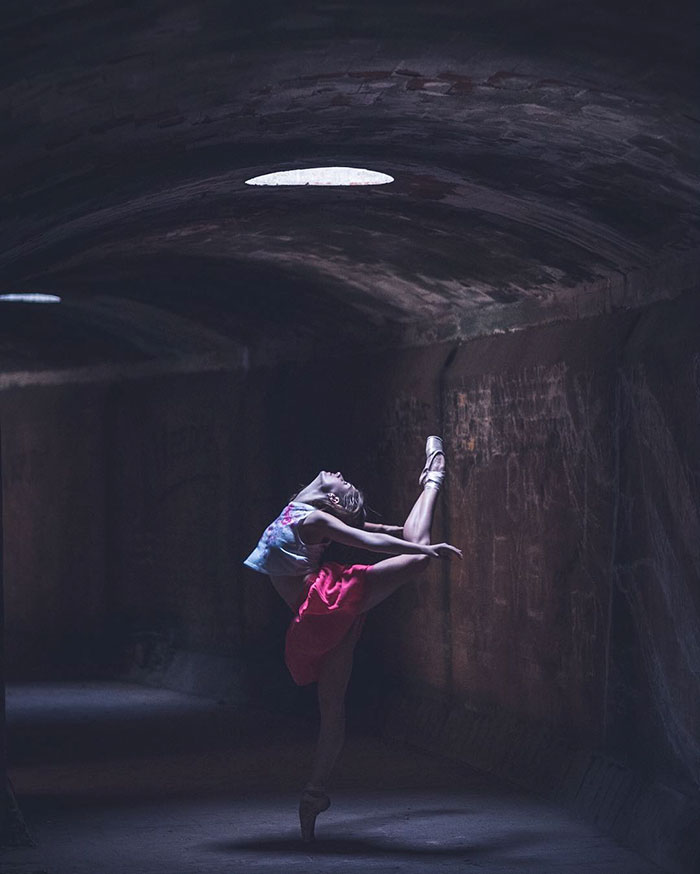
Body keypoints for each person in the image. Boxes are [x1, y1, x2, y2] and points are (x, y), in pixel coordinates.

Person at [243, 436, 461, 841]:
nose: (341, 476)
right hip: (319, 612)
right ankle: (314, 795)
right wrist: (406, 537)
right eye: (345, 482)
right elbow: (369, 530)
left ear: (338, 504)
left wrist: (422, 551)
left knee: (415, 555)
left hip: (324, 602)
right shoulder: (307, 511)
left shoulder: (314, 520)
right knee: (332, 709)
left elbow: (370, 541)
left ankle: (434, 477)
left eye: (346, 486)